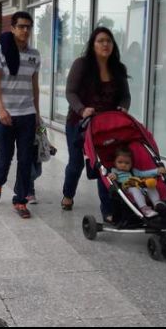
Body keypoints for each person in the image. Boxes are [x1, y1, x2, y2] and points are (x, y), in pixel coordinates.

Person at [62, 27, 131, 223]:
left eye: (108, 41)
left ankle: (108, 210)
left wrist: (123, 108)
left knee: (105, 165)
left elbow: (125, 96)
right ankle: (68, 195)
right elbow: (70, 92)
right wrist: (82, 109)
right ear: (93, 45)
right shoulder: (82, 65)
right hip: (79, 122)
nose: (105, 44)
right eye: (100, 41)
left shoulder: (118, 68)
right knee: (76, 164)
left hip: (106, 126)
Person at [0, 12, 42, 219]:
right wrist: (1, 109)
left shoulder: (35, 54)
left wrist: (37, 112)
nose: (25, 30)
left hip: (27, 113)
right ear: (13, 28)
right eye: (21, 26)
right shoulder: (0, 50)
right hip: (5, 114)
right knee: (4, 155)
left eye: (28, 26)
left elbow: (34, 86)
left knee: (26, 158)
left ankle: (20, 199)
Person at [107, 147, 166, 218]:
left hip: (140, 186)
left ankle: (157, 203)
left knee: (150, 186)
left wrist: (156, 171)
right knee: (135, 189)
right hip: (127, 188)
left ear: (131, 163)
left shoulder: (133, 171)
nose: (123, 165)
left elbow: (144, 173)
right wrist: (113, 175)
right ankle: (145, 209)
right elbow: (112, 176)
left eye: (127, 163)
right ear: (114, 162)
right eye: (120, 162)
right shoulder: (115, 171)